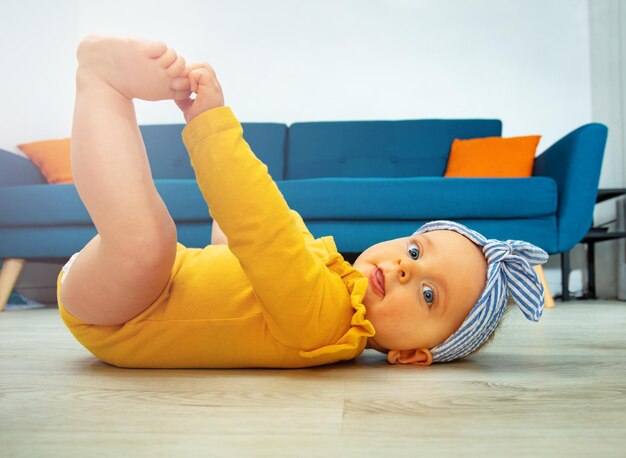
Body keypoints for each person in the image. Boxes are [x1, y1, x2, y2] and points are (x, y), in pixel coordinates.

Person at [57, 36, 548, 369]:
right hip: (156, 283)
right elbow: (274, 236)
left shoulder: (328, 324)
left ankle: (100, 86)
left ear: (415, 354)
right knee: (213, 242)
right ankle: (103, 87)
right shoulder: (332, 281)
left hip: (121, 315)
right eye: (417, 251)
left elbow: (266, 231)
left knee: (149, 243)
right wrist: (227, 220)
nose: (404, 270)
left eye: (427, 296)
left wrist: (211, 126)